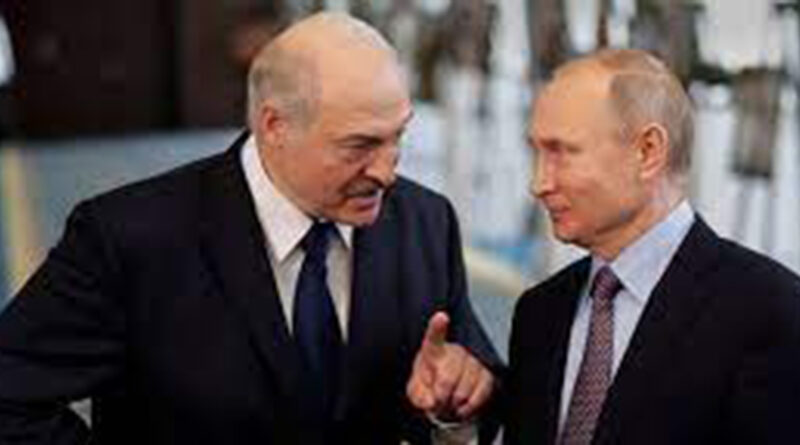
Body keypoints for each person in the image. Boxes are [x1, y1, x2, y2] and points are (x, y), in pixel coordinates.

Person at [0, 12, 501, 444]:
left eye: (399, 136)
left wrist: (455, 406)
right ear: (274, 126)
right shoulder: (127, 238)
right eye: (360, 145)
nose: (388, 171)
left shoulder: (425, 222)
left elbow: (467, 383)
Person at [503, 49, 800, 445]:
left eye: (562, 153)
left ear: (648, 152)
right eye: (537, 153)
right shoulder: (540, 313)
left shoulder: (771, 312)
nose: (539, 183)